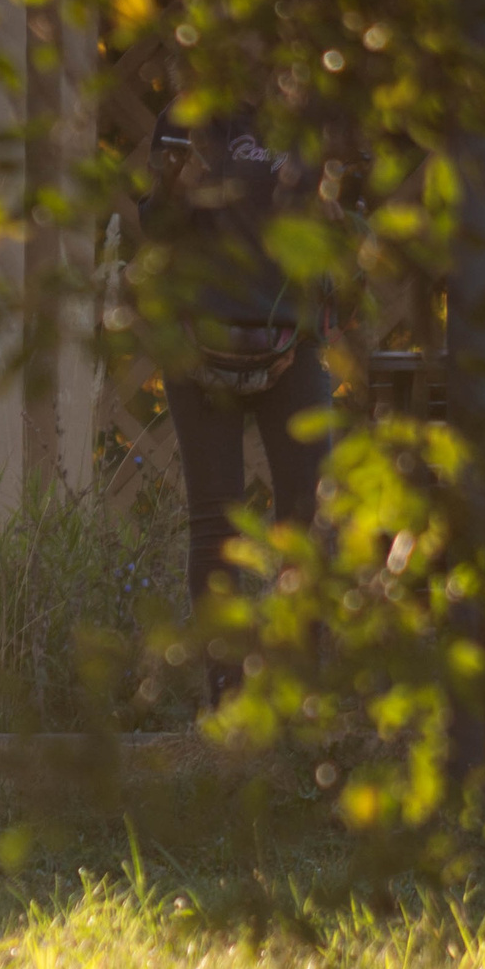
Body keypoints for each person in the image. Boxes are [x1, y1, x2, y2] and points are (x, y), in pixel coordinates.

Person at [136, 102, 361, 703]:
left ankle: (302, 693)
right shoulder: (185, 115)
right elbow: (156, 229)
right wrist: (171, 186)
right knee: (215, 521)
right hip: (197, 344)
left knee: (306, 516)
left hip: (293, 344)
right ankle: (225, 700)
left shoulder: (303, 113)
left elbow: (330, 240)